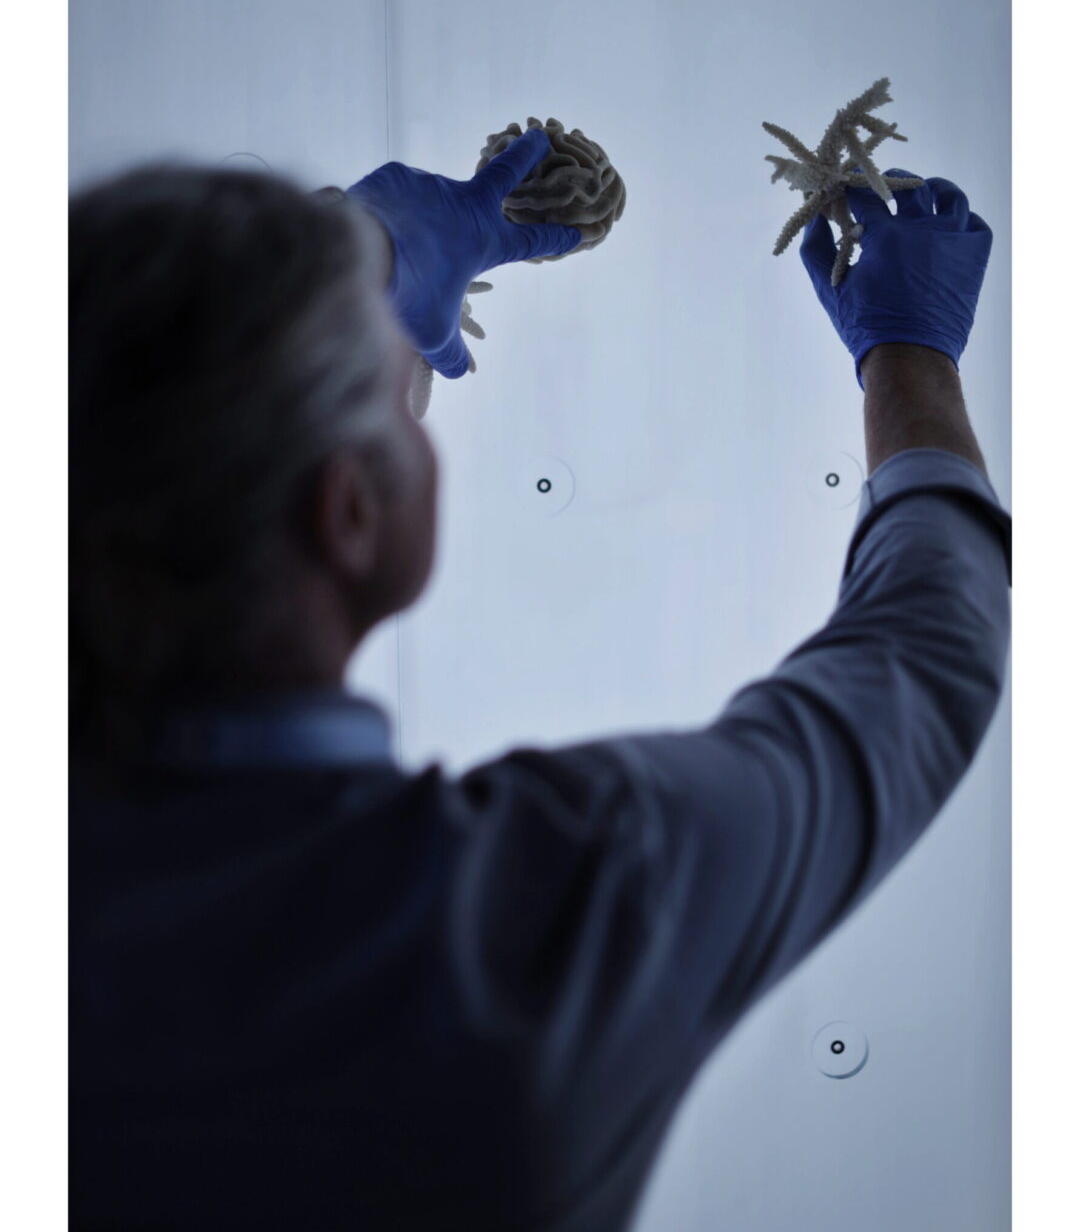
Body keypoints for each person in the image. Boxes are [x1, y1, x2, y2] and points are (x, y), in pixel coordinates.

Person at [69, 130, 1011, 1231]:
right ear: (349, 515)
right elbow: (924, 654)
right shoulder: (556, 912)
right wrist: (910, 356)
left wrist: (355, 257)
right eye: (387, 395)